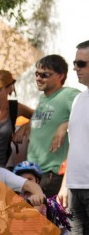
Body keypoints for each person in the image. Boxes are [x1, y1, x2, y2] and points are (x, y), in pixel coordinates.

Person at [57, 40, 89, 235]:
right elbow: (74, 145)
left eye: (81, 63)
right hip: (77, 188)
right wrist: (65, 183)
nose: (76, 68)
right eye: (75, 63)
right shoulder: (79, 100)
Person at [23, 55, 82, 196]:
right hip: (33, 172)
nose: (38, 78)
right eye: (37, 74)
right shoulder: (43, 98)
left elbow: (85, 116)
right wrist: (27, 125)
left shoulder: (69, 94)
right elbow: (44, 122)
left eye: (44, 75)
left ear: (60, 76)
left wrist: (65, 126)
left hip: (52, 174)